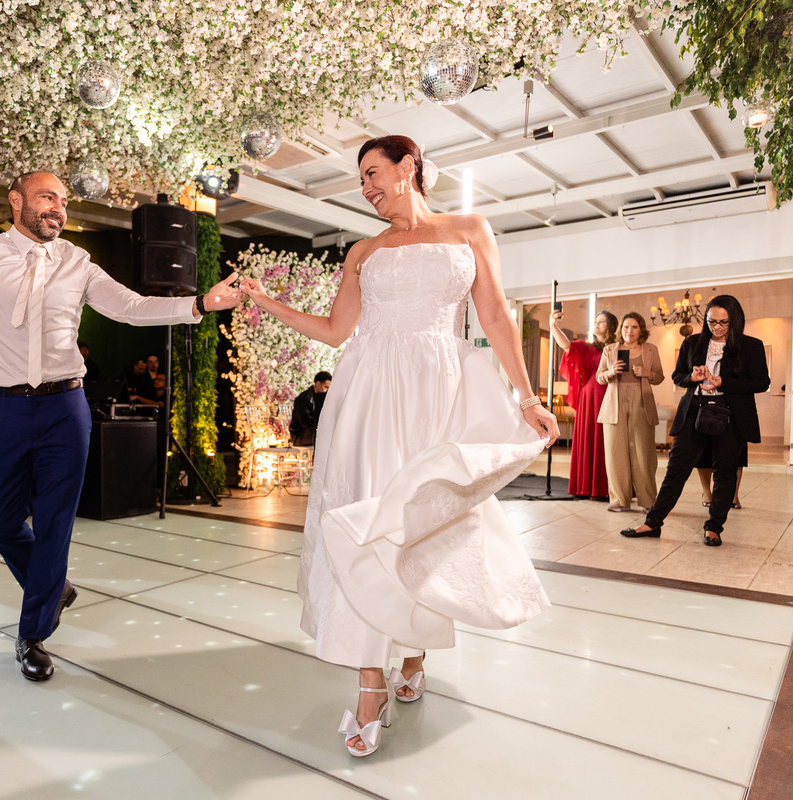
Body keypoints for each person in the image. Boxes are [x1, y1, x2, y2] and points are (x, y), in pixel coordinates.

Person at [239, 135, 558, 757]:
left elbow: (493, 315)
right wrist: (263, 299)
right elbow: (335, 331)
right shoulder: (364, 250)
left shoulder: (469, 228)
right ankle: (369, 684)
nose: (366, 187)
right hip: (366, 394)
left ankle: (411, 645)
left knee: (420, 521)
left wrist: (526, 396)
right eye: (361, 180)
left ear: (408, 167)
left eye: (372, 173)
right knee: (367, 519)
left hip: (437, 391)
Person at [0, 171, 241, 681]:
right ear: (16, 201)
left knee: (56, 521)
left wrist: (197, 305)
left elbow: (129, 307)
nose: (58, 208)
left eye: (63, 200)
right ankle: (52, 586)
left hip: (66, 407)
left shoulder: (77, 262)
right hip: (1, 408)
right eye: (47, 197)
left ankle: (32, 633)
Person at [623, 295, 768, 546]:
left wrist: (725, 382)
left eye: (724, 322)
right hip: (694, 411)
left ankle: (713, 528)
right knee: (676, 469)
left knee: (724, 474)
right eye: (712, 322)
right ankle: (653, 522)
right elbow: (677, 376)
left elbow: (761, 383)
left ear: (735, 321)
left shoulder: (751, 346)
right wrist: (691, 377)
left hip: (730, 415)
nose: (717, 327)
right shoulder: (692, 343)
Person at [595, 312, 664, 512]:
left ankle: (648, 500)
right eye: (626, 327)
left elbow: (659, 377)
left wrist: (647, 373)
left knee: (644, 453)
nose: (629, 331)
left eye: (634, 327)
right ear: (620, 330)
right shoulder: (610, 349)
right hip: (614, 404)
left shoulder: (650, 350)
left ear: (641, 330)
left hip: (642, 403)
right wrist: (611, 372)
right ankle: (619, 499)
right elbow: (599, 377)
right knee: (615, 452)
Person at [550, 308, 617, 500]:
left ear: (611, 326)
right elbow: (565, 344)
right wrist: (553, 326)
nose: (596, 324)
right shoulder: (585, 347)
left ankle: (608, 488)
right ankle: (586, 487)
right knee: (589, 438)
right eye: (595, 321)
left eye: (601, 321)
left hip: (611, 395)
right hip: (590, 398)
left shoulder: (617, 348)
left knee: (609, 442)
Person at [289, 371, 331, 446]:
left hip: (313, 433)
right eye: (326, 387)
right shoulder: (303, 399)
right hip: (301, 435)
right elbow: (306, 422)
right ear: (318, 384)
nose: (327, 391)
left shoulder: (323, 398)